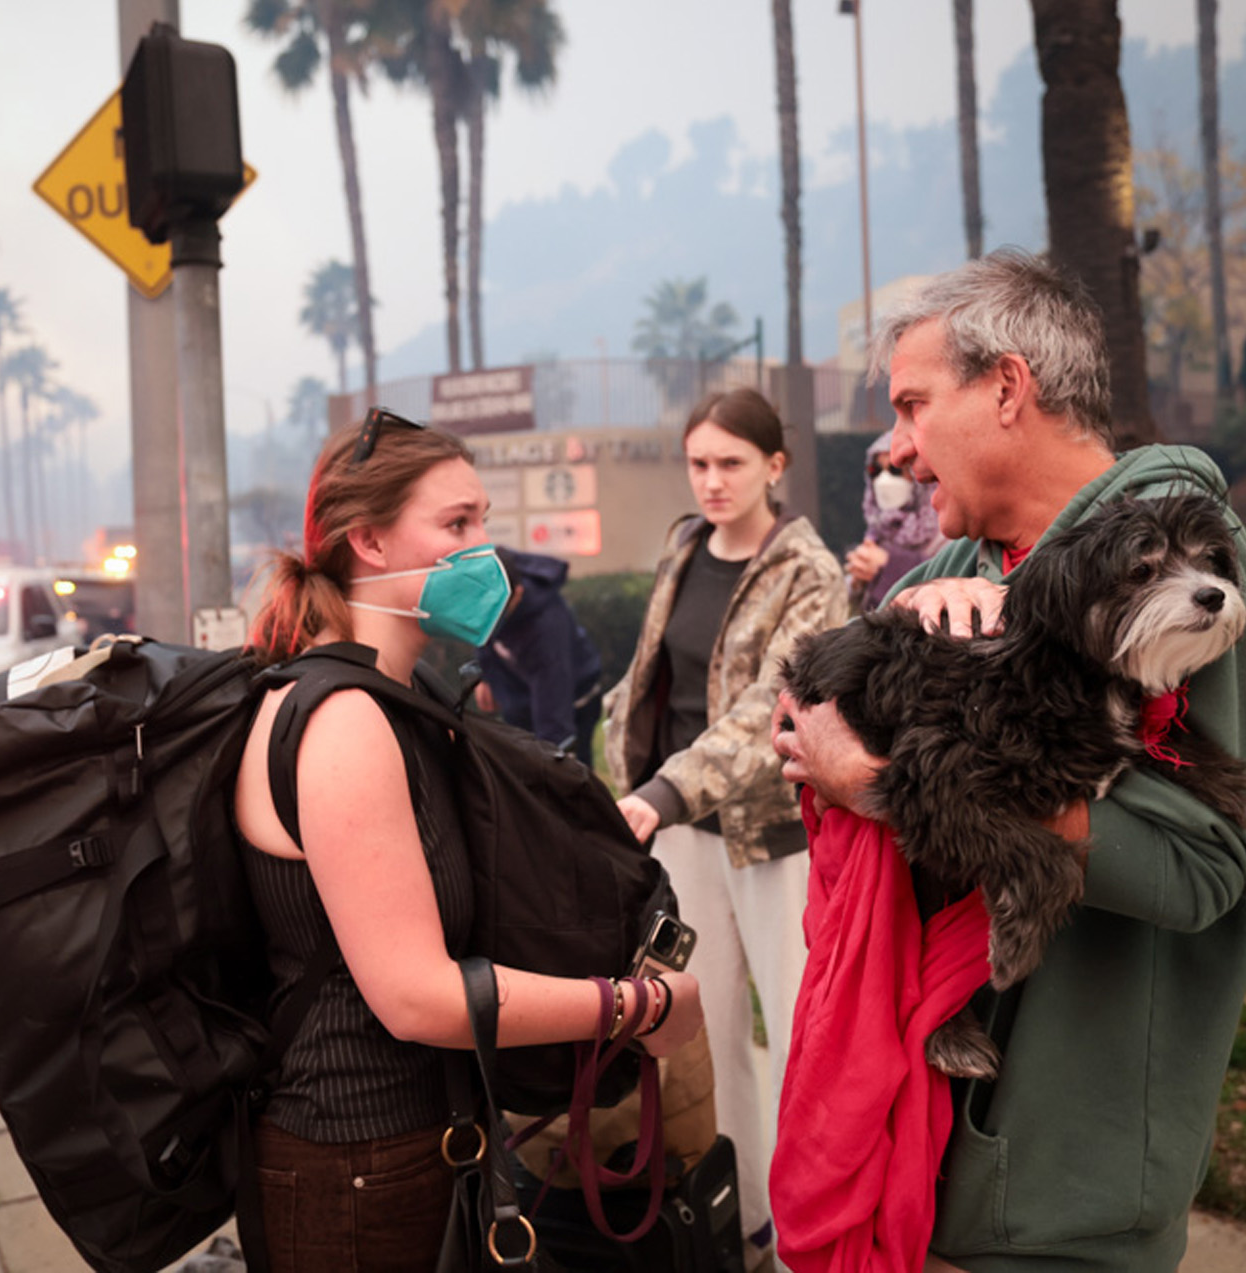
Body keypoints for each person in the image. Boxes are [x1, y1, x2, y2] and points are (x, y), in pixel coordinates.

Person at [770, 248, 1246, 1272]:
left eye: (915, 406)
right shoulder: (950, 572)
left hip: (1072, 1195)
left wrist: (909, 791)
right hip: (922, 1162)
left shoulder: (1179, 562)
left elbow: (1230, 864)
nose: (898, 451)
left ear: (1007, 388)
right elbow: (798, 725)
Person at [236, 407, 705, 1272]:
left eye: (483, 520)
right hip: (357, 1167)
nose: (483, 549)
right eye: (456, 524)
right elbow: (416, 995)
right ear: (369, 540)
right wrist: (633, 1008)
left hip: (422, 1148)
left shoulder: (399, 698)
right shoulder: (344, 722)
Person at [601, 387, 846, 1271]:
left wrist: (659, 795)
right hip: (678, 829)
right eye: (699, 462)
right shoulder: (682, 547)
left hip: (776, 835)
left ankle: (803, 1231)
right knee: (692, 1034)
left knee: (791, 1029)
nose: (710, 481)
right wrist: (610, 782)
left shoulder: (811, 574)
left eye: (731, 463)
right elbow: (646, 683)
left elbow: (763, 712)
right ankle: (734, 1220)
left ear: (774, 468)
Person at [472, 545, 606, 765]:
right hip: (523, 691)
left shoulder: (546, 628)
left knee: (567, 773)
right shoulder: (493, 584)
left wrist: (555, 765)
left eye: (497, 611)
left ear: (518, 594)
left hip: (573, 700)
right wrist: (486, 675)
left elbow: (554, 720)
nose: (490, 617)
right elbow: (484, 632)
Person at [842, 431, 945, 615]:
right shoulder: (877, 528)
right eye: (875, 471)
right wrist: (859, 583)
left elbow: (945, 579)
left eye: (896, 470)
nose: (884, 480)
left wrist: (888, 566)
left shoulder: (944, 528)